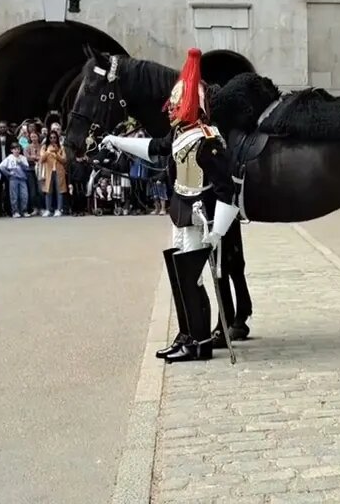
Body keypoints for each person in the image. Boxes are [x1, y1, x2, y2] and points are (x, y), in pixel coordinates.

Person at [100, 48, 240, 363]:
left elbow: (227, 190)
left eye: (177, 105)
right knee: (180, 277)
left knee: (192, 278)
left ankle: (200, 341)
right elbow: (155, 148)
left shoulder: (208, 141)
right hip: (180, 212)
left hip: (199, 217)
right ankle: (188, 333)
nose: (171, 109)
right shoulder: (182, 135)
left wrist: (218, 230)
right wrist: (117, 140)